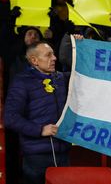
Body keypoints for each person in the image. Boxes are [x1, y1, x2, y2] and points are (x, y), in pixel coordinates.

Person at [4, 41, 71, 184]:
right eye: (48, 55)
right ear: (34, 60)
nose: (54, 58)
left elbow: (81, 70)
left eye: (53, 54)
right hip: (37, 157)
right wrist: (40, 130)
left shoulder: (61, 78)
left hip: (63, 153)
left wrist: (78, 43)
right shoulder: (21, 82)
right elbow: (10, 118)